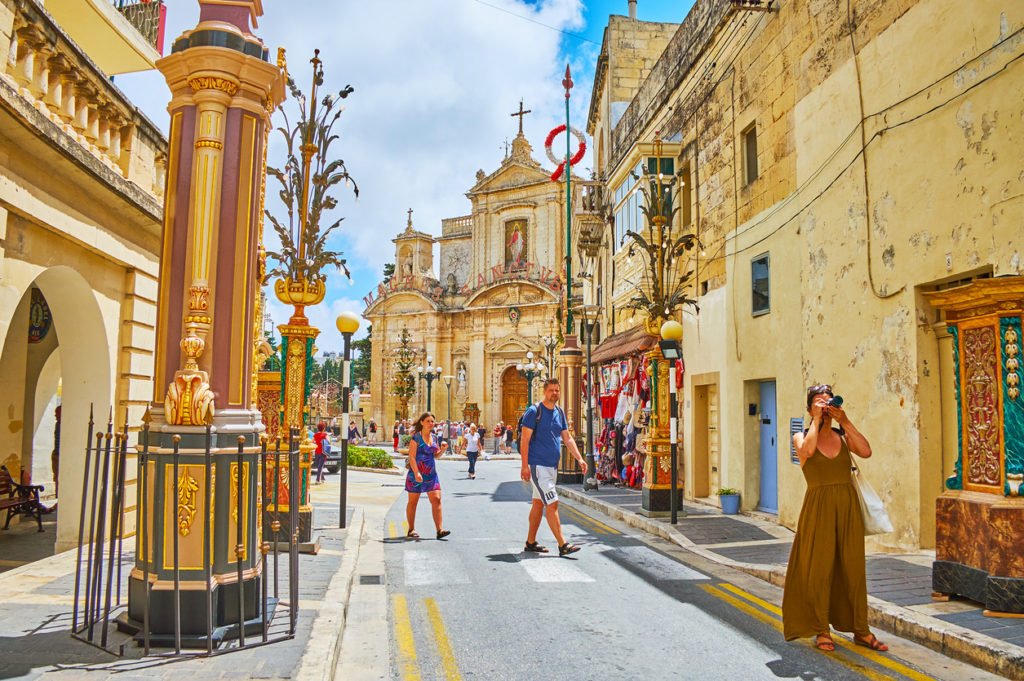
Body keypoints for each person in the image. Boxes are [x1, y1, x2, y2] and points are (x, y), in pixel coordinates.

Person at [782, 384, 888, 653]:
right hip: (818, 509)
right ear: (808, 409)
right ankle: (820, 629)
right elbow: (805, 452)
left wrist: (845, 420)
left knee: (853, 570)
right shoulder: (801, 436)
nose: (825, 405)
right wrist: (817, 420)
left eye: (828, 401)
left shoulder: (842, 437)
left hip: (848, 507)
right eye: (819, 402)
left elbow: (865, 451)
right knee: (820, 571)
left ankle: (861, 630)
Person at [519, 378, 587, 557]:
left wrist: (579, 458)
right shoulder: (534, 412)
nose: (555, 393)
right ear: (544, 391)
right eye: (551, 390)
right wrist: (524, 466)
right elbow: (524, 440)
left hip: (551, 467)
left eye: (557, 390)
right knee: (552, 502)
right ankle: (562, 544)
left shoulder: (559, 412)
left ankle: (531, 542)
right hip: (537, 466)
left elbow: (567, 438)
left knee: (538, 504)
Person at [405, 411, 451, 540]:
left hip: (431, 474)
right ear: (422, 422)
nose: (431, 423)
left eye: (432, 421)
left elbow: (435, 456)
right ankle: (411, 529)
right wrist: (416, 472)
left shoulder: (434, 437)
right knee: (413, 502)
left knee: (436, 499)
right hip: (416, 474)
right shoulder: (416, 438)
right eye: (428, 421)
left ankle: (439, 530)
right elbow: (412, 457)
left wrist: (443, 449)